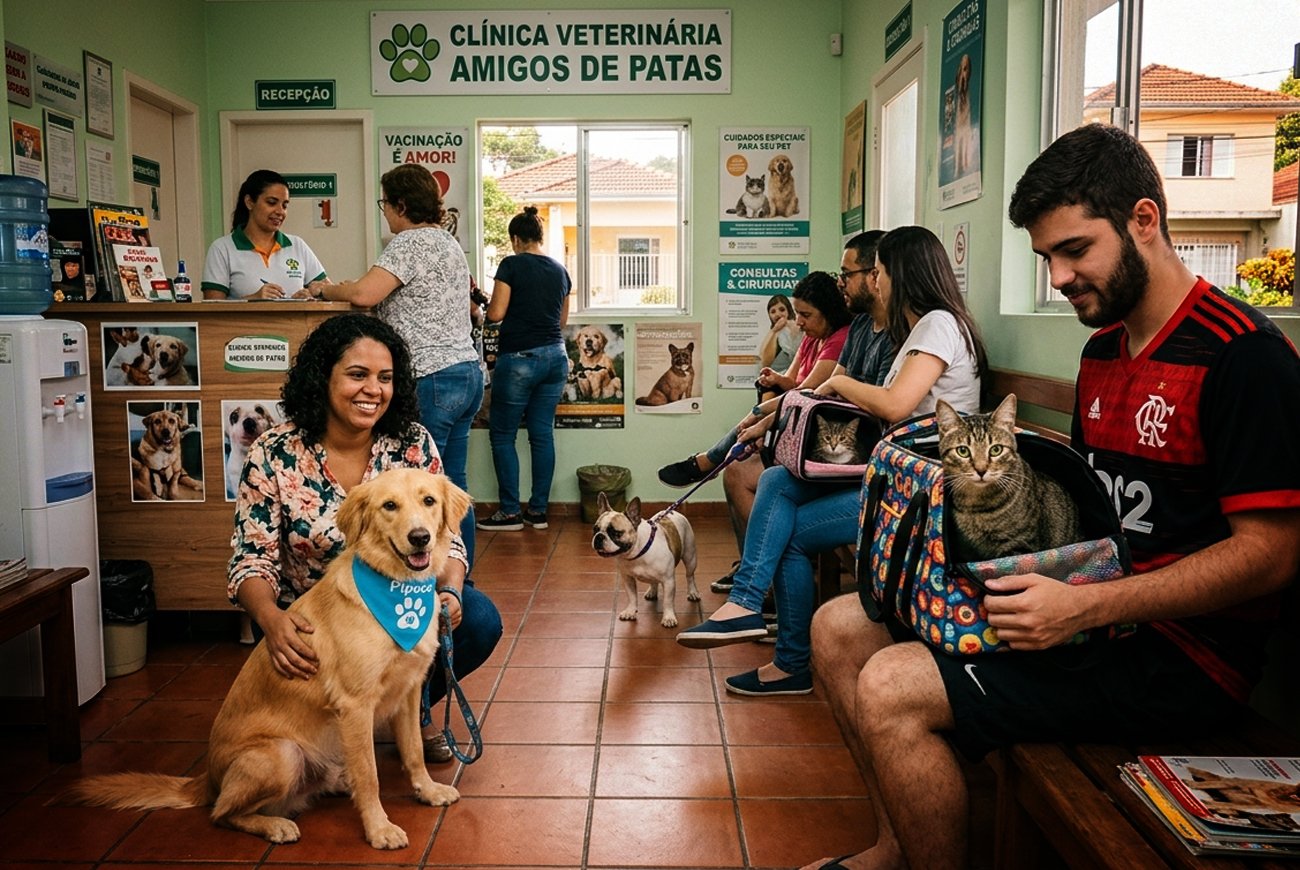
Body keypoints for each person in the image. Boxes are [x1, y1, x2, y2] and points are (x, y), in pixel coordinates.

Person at [796, 124, 1300, 870]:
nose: (1059, 276)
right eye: (1046, 258)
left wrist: (1085, 608)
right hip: (1087, 622)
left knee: (894, 685)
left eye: (1075, 250)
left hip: (1176, 659)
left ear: (1144, 220)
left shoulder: (1243, 356)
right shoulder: (1103, 352)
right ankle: (895, 848)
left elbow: (1271, 557)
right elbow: (1092, 520)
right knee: (839, 627)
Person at [677, 226, 987, 703]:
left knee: (790, 533)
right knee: (778, 478)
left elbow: (896, 404)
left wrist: (838, 386)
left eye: (879, 272)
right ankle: (745, 604)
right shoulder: (922, 329)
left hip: (923, 495)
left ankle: (790, 661)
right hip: (895, 476)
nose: (876, 282)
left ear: (901, 273)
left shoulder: (939, 324)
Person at [226, 313, 503, 764]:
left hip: (406, 598)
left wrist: (450, 589)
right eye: (357, 375)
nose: (372, 389)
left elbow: (447, 536)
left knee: (479, 618)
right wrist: (271, 620)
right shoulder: (273, 451)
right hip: (317, 618)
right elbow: (252, 557)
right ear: (323, 378)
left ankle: (402, 718)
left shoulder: (412, 442)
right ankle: (331, 730)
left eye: (385, 378)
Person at [310, 165, 483, 556]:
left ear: (401, 204)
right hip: (465, 373)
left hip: (431, 375)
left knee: (425, 488)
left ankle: (436, 580)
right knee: (451, 488)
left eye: (385, 203)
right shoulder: (447, 241)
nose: (384, 212)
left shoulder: (408, 242)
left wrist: (324, 289)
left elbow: (364, 294)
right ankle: (461, 578)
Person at [658, 271, 853, 491]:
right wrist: (775, 379)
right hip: (788, 414)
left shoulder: (839, 340)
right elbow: (791, 381)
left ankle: (708, 460)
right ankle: (709, 461)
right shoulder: (811, 337)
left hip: (809, 427)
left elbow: (807, 394)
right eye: (797, 313)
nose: (798, 322)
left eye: (805, 315)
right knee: (757, 411)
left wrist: (759, 412)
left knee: (751, 423)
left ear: (828, 312)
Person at [475, 206, 572, 531]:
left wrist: (485, 303)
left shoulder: (511, 264)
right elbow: (561, 321)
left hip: (519, 358)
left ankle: (510, 512)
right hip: (555, 357)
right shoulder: (560, 270)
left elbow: (497, 313)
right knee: (542, 435)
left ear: (516, 238)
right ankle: (539, 512)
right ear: (539, 237)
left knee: (502, 435)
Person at [201, 169, 327, 300]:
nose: (280, 211)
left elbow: (326, 289)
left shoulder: (297, 245)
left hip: (292, 321)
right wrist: (253, 299)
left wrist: (310, 297)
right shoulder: (222, 249)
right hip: (245, 321)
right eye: (272, 203)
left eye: (284, 205)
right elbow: (213, 309)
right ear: (249, 202)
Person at [759, 293, 801, 374]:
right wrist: (774, 331)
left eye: (782, 309)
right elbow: (764, 363)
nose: (777, 314)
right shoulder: (773, 333)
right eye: (773, 311)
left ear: (788, 310)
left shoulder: (800, 326)